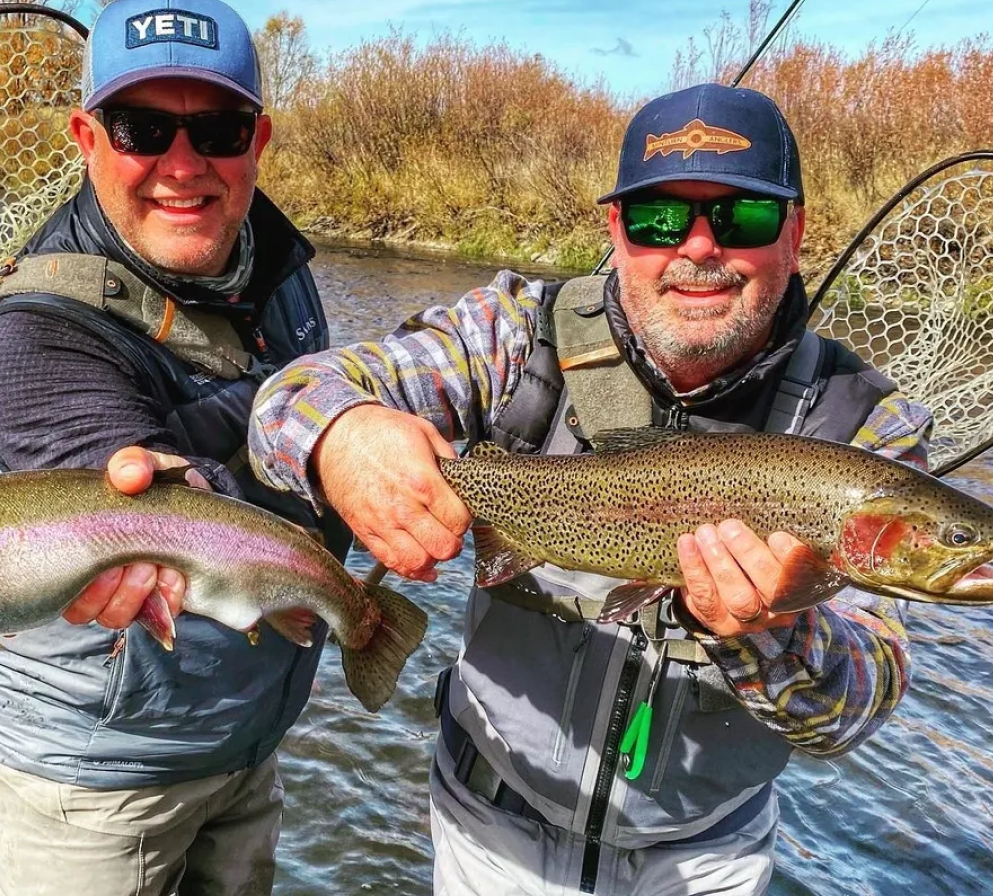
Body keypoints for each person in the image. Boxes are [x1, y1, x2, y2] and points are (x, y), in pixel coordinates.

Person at [244, 83, 932, 894]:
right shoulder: (514, 336)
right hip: (487, 830)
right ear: (616, 230)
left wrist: (771, 630)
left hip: (703, 858)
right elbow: (284, 401)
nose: (698, 248)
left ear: (796, 231)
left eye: (741, 218)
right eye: (659, 220)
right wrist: (346, 434)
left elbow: (855, 706)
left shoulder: (870, 431)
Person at [0, 0, 348, 896]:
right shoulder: (34, 334)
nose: (181, 163)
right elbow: (182, 518)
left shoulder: (276, 264)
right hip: (88, 779)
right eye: (140, 128)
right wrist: (349, 455)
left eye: (217, 130)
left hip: (243, 732)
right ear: (88, 140)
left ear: (258, 142)